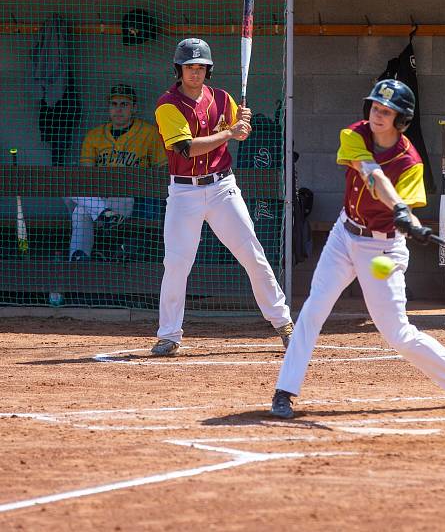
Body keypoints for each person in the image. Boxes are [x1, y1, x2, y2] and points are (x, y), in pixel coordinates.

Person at [269, 78, 445, 419]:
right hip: (344, 234)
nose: (378, 115)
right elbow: (371, 175)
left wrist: (405, 220)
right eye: (376, 108)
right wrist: (400, 208)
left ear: (401, 119)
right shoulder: (354, 135)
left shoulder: (411, 162)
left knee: (397, 333)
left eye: (387, 111)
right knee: (313, 310)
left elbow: (398, 205)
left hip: (382, 249)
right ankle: (284, 391)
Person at [150, 38, 293, 357]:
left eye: (201, 67)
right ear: (179, 70)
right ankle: (169, 335)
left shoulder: (222, 98)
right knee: (176, 263)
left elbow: (241, 130)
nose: (195, 73)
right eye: (189, 67)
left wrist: (243, 124)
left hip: (222, 189)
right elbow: (187, 149)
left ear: (208, 70)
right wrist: (230, 133)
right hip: (184, 191)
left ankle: (283, 323)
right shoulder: (167, 104)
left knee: (252, 253)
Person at [66, 84, 165, 261]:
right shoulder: (94, 135)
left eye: (124, 104)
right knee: (70, 190)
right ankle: (80, 258)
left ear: (134, 108)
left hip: (128, 198)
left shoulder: (149, 133)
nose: (118, 109)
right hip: (99, 196)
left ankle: (79, 255)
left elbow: (162, 172)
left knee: (81, 210)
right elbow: (85, 175)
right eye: (114, 104)